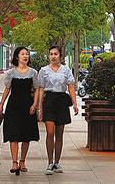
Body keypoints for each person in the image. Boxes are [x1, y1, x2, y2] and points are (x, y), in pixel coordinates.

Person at [35, 44, 78, 175]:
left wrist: (75, 104)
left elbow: (71, 87)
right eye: (51, 54)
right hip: (49, 101)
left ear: (60, 55)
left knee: (59, 134)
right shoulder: (43, 71)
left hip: (61, 101)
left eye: (55, 54)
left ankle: (57, 162)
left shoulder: (66, 70)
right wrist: (39, 107)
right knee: (50, 132)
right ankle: (49, 162)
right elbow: (41, 88)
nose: (53, 56)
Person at [0, 46, 40, 175]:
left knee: (26, 135)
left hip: (28, 107)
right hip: (13, 107)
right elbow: (7, 89)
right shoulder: (10, 73)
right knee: (13, 134)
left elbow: (37, 89)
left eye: (27, 54)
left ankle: (22, 161)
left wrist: (35, 105)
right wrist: (1, 104)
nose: (25, 56)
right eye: (22, 54)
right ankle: (14, 162)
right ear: (17, 56)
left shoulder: (33, 72)